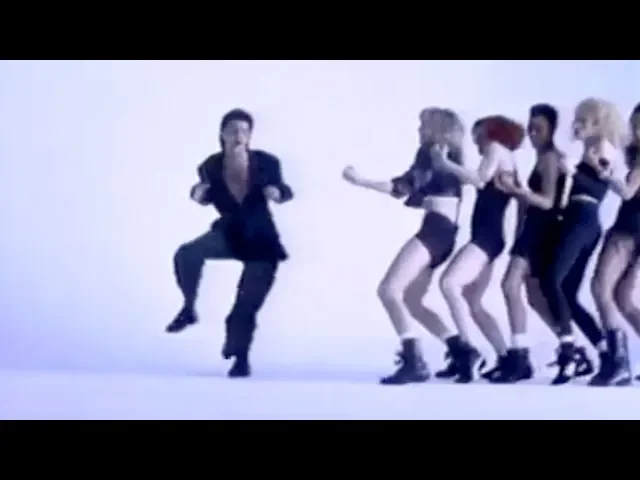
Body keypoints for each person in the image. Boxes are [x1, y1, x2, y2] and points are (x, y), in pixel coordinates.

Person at [342, 107, 469, 385]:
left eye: (423, 125)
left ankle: (414, 362)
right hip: (445, 233)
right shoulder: (449, 157)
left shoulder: (432, 152)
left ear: (436, 129)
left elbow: (402, 187)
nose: (419, 130)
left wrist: (360, 181)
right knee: (412, 300)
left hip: (435, 230)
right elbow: (420, 191)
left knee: (389, 290)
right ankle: (462, 352)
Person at [166, 109, 294, 378]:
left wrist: (277, 192)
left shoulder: (267, 162)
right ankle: (188, 309)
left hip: (261, 242)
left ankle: (240, 359)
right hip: (230, 234)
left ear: (250, 136)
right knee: (187, 254)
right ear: (222, 134)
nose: (239, 135)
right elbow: (204, 193)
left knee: (244, 307)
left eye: (245, 131)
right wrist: (197, 193)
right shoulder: (210, 165)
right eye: (233, 130)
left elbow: (284, 189)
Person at [491, 104, 597, 383]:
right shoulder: (544, 157)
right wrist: (518, 197)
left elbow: (548, 201)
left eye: (539, 128)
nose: (533, 133)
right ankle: (573, 349)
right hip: (536, 228)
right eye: (531, 127)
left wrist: (517, 190)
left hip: (540, 228)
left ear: (552, 130)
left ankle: (520, 357)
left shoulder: (550, 158)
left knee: (510, 285)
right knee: (536, 298)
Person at [539, 98, 627, 385]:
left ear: (597, 121)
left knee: (552, 279)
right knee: (567, 292)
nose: (577, 124)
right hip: (579, 218)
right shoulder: (591, 147)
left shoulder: (601, 145)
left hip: (583, 218)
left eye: (583, 119)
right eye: (577, 119)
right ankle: (606, 353)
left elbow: (604, 182)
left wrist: (575, 168)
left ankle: (570, 349)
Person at [434, 115, 525, 383]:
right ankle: (507, 358)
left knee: (449, 284)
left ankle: (467, 351)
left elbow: (480, 179)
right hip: (490, 237)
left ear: (490, 133)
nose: (475, 143)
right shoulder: (504, 156)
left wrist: (445, 163)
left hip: (487, 237)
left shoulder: (497, 150)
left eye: (477, 136)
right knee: (473, 302)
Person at [589, 103, 640, 386]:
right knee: (623, 298)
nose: (638, 131)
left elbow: (628, 192)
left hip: (627, 230)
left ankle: (619, 363)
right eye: (635, 125)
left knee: (600, 288)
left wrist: (605, 174)